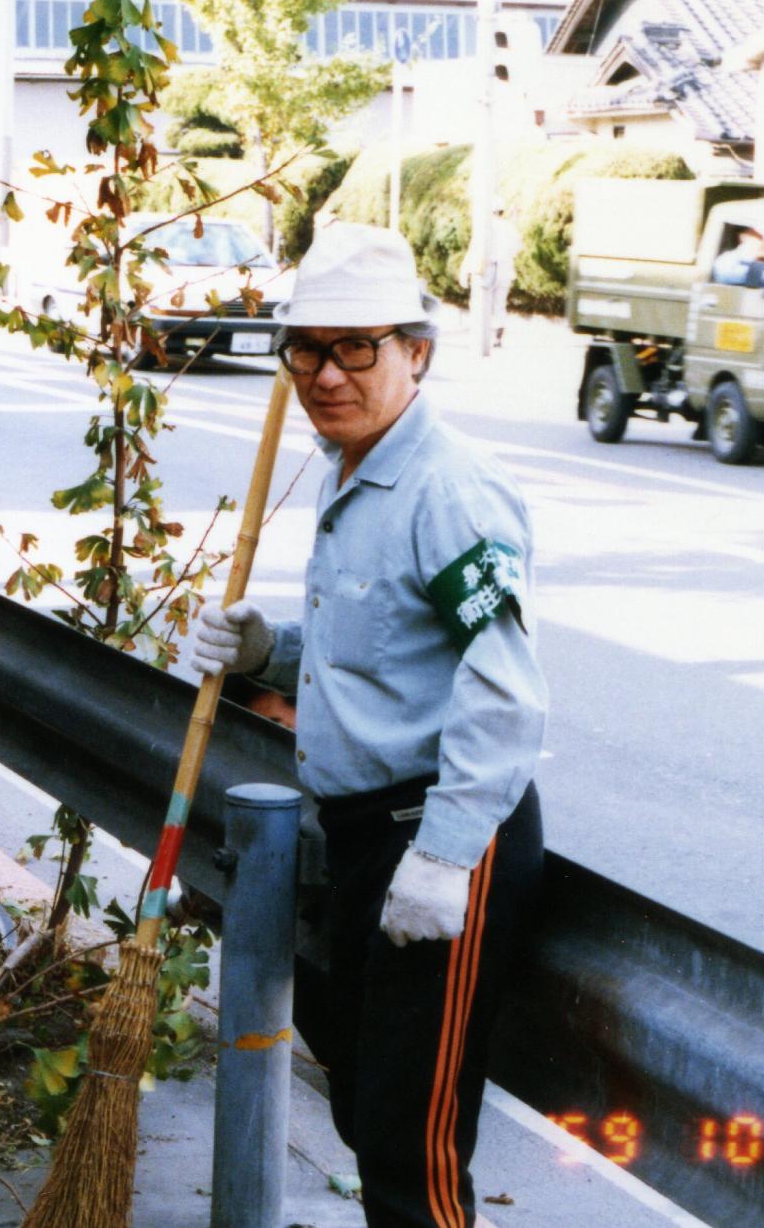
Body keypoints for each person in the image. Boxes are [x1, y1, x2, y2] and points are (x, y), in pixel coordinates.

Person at [185, 223, 546, 1228]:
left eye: (357, 347)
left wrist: (440, 854)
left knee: (407, 1141)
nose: (325, 373)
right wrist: (264, 648)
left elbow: (503, 685)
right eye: (305, 348)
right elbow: (374, 646)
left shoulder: (448, 490)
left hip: (435, 837)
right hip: (354, 839)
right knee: (356, 1094)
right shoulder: (354, 467)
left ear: (415, 352)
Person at [462, 206, 520, 348]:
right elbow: (516, 249)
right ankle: (497, 337)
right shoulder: (510, 228)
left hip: (487, 269)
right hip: (505, 269)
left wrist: (465, 270)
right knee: (500, 304)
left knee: (481, 303)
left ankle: (481, 335)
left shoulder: (484, 227)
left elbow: (474, 249)